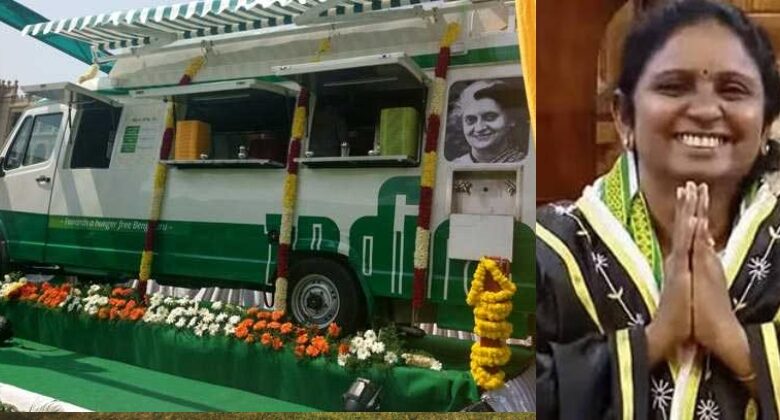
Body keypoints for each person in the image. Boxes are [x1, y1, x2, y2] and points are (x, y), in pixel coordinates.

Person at [536, 1, 780, 419]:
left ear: (765, 126)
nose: (705, 111)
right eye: (673, 86)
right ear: (624, 118)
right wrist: (656, 337)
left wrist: (735, 344)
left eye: (733, 90)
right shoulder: (551, 251)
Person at [450, 80, 527, 163]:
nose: (479, 128)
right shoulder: (455, 164)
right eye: (470, 120)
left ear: (511, 119)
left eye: (490, 117)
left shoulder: (524, 163)